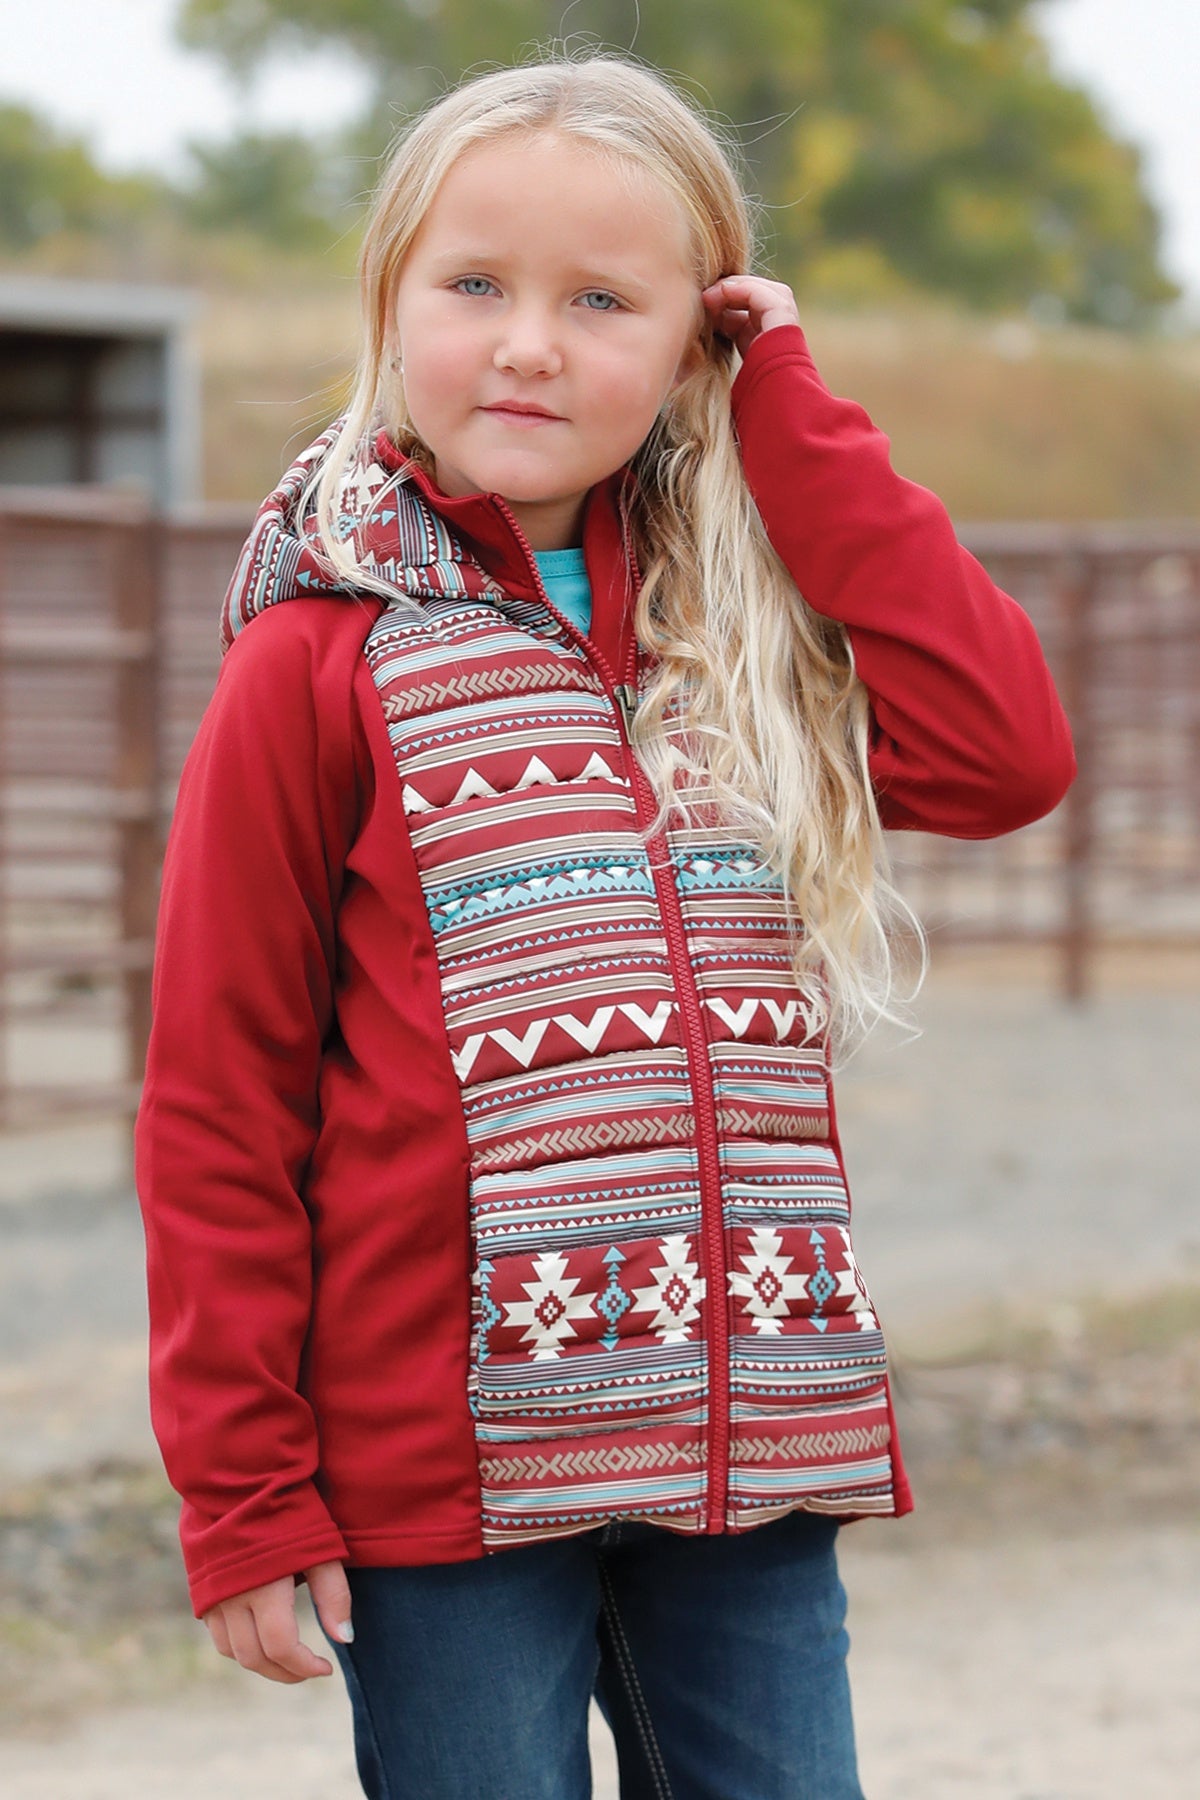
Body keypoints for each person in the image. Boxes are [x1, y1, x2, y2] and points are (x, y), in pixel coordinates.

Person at [135, 48, 1075, 1800]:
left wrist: (792, 416)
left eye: (600, 301)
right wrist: (245, 1489)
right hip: (447, 1488)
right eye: (474, 286)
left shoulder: (743, 640)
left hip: (749, 1448)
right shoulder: (319, 657)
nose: (529, 345)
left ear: (695, 342)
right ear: (390, 303)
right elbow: (218, 1099)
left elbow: (1005, 752)